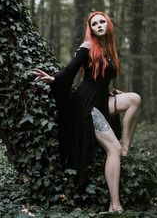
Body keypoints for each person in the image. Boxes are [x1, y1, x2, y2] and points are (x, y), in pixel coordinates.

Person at [32, 11, 141, 213]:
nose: (99, 25)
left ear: (108, 24)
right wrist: (53, 79)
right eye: (94, 24)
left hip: (102, 100)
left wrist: (110, 91)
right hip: (87, 106)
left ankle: (127, 145)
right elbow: (70, 71)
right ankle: (115, 205)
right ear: (90, 29)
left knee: (135, 99)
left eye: (102, 22)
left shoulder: (108, 49)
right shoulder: (87, 46)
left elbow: (99, 78)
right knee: (113, 150)